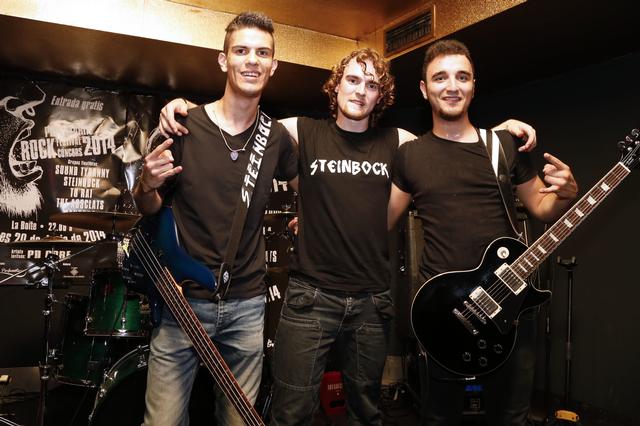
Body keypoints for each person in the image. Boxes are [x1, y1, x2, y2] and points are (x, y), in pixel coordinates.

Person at [159, 48, 537, 425]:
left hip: (372, 302)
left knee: (366, 414)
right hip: (311, 298)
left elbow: (449, 142)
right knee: (291, 414)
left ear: (380, 96)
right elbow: (238, 118)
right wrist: (190, 108)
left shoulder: (399, 141)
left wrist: (499, 133)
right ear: (335, 86)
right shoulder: (302, 131)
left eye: (371, 85)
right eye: (352, 80)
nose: (360, 91)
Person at [387, 39, 578, 425]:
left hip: (509, 308)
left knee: (511, 417)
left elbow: (542, 207)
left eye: (462, 77)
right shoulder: (410, 155)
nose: (451, 86)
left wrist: (567, 193)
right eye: (440, 77)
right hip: (444, 315)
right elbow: (380, 222)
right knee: (439, 417)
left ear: (474, 85)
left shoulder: (503, 145)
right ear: (424, 89)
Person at [133, 12, 297, 426]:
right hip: (182, 301)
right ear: (223, 60)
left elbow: (309, 187)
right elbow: (147, 208)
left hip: (247, 303)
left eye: (262, 53)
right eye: (241, 51)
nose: (252, 60)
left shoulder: (276, 138)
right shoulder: (184, 125)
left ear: (273, 66)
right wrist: (146, 185)